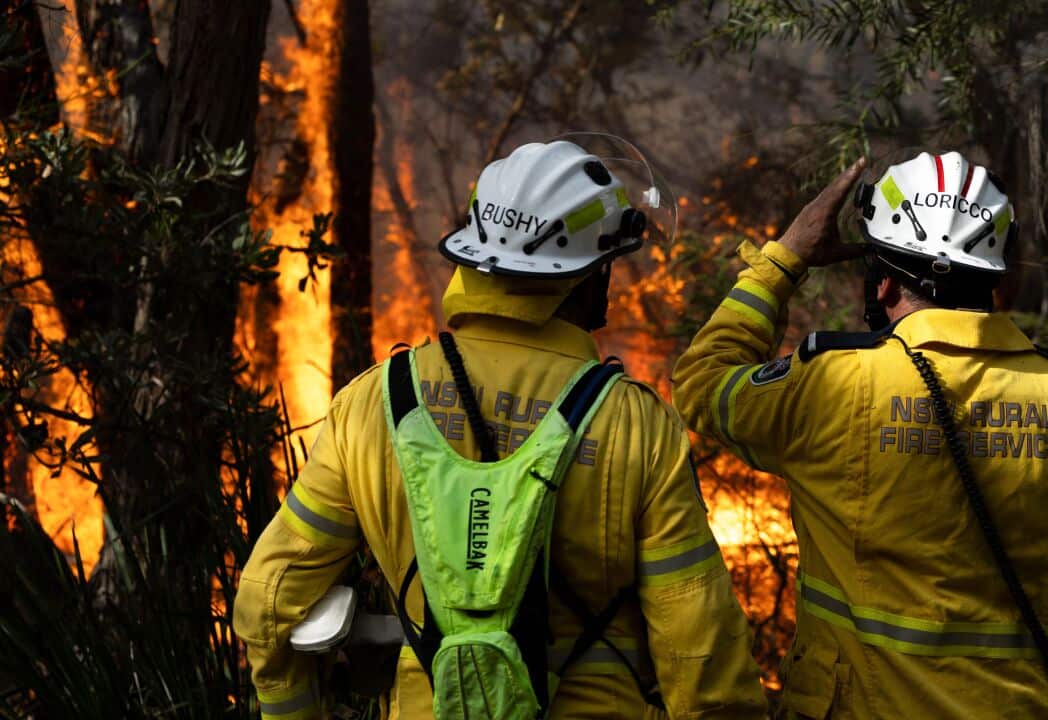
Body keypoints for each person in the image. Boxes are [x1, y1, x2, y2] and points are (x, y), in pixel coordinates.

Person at [234, 135, 765, 719]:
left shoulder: (371, 405)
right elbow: (701, 655)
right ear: (587, 277)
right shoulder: (635, 425)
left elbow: (267, 604)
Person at [671, 149, 1048, 719]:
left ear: (884, 285)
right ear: (997, 277)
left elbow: (702, 383)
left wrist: (783, 261)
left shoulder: (833, 383)